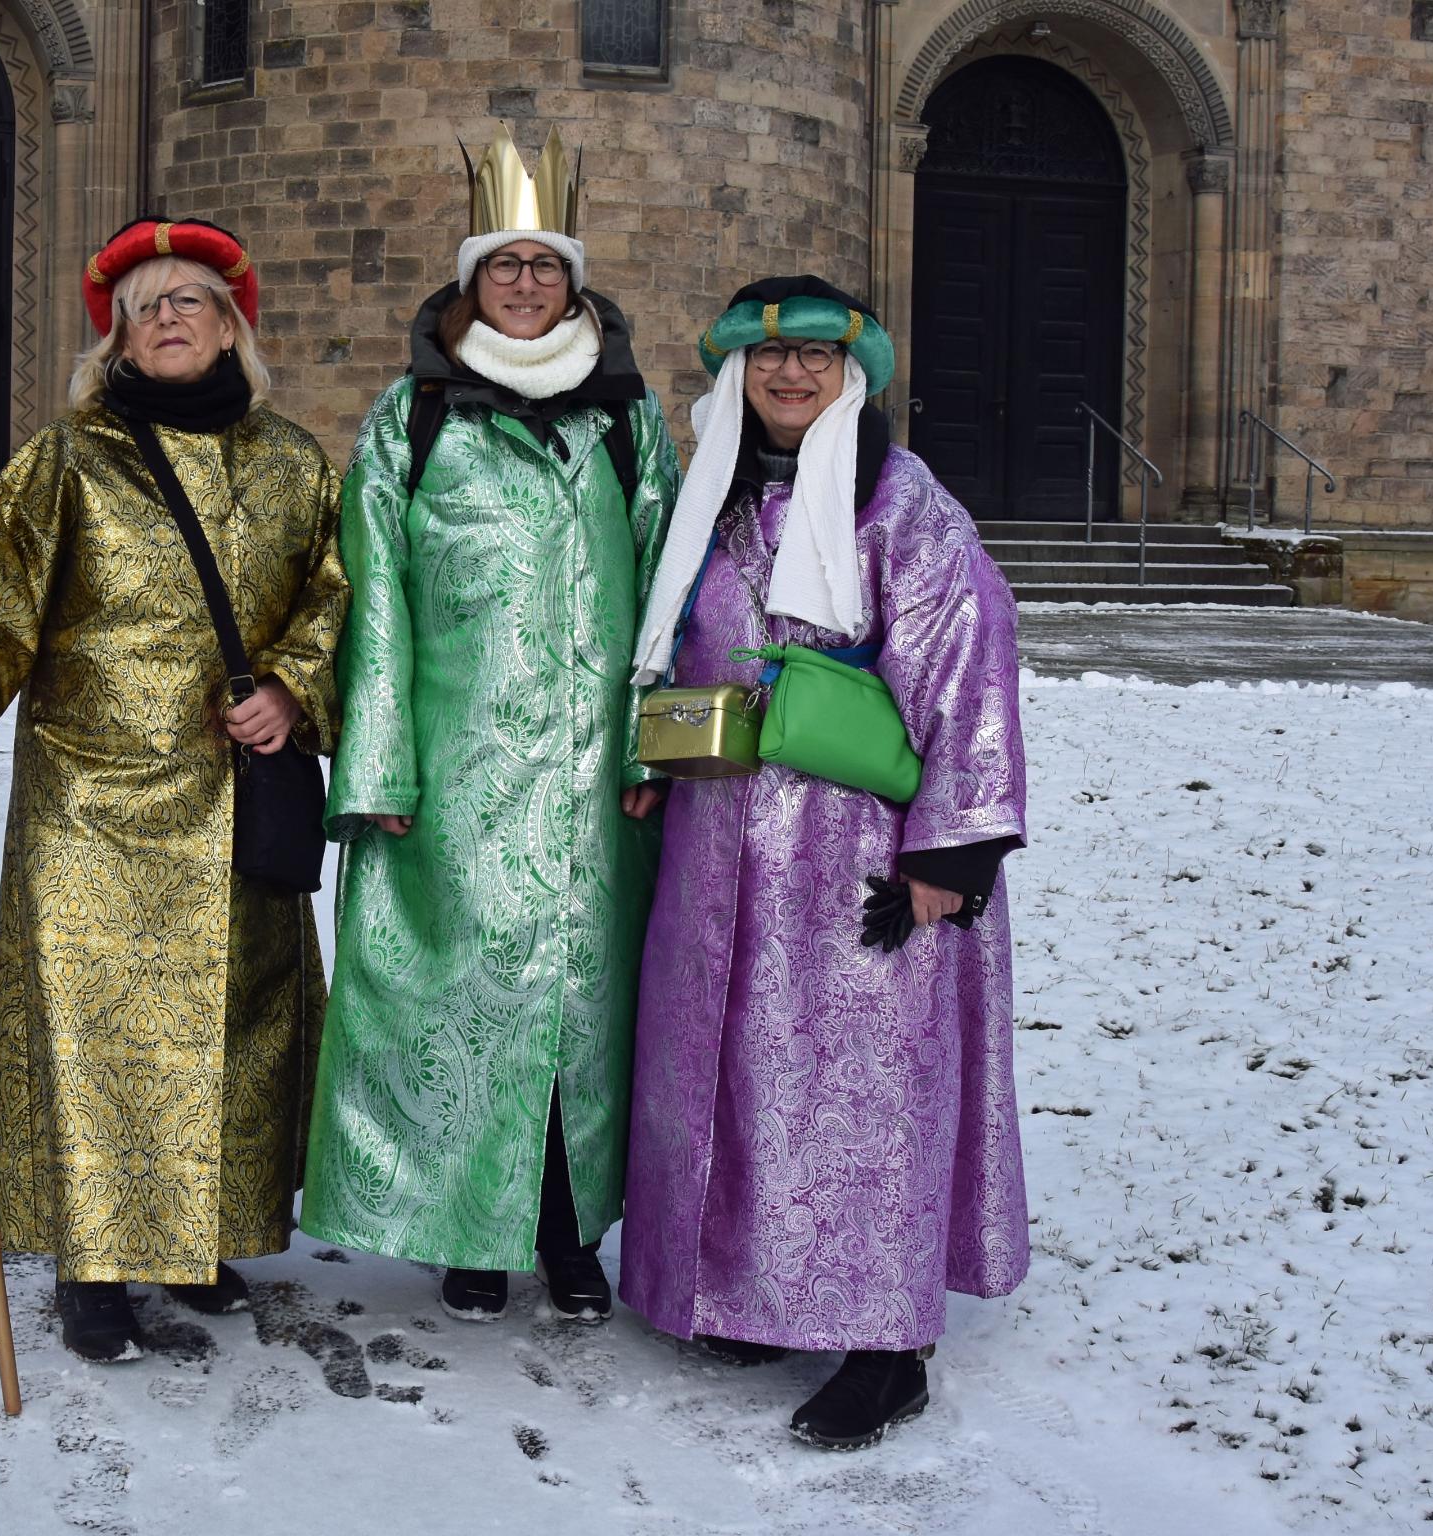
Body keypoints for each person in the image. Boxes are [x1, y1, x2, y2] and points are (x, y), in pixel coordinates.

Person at [0, 219, 348, 1362]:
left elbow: (335, 597)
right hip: (91, 805)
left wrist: (290, 687)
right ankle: (94, 1262)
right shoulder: (66, 460)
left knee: (236, 1028)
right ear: (116, 339)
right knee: (101, 1036)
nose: (170, 317)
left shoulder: (293, 461)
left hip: (235, 795)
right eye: (146, 305)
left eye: (191, 299)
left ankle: (199, 1240)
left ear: (232, 324)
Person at [618, 277, 1029, 1448]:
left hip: (855, 849)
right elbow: (677, 638)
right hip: (718, 840)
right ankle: (751, 1291)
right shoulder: (712, 499)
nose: (787, 377)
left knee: (865, 1087)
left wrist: (948, 850)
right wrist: (653, 749)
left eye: (812, 361)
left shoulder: (898, 502)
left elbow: (965, 665)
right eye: (766, 359)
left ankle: (885, 1344)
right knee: (735, 1069)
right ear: (733, 374)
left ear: (853, 378)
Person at [300, 125, 680, 1324]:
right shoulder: (411, 422)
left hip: (592, 794)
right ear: (468, 283)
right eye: (502, 266)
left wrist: (650, 750)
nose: (524, 284)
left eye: (545, 266)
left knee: (583, 1009)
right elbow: (373, 606)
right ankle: (468, 1229)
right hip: (459, 782)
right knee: (460, 1008)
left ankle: (569, 1238)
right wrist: (376, 769)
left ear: (576, 282)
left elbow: (672, 593)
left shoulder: (627, 420)